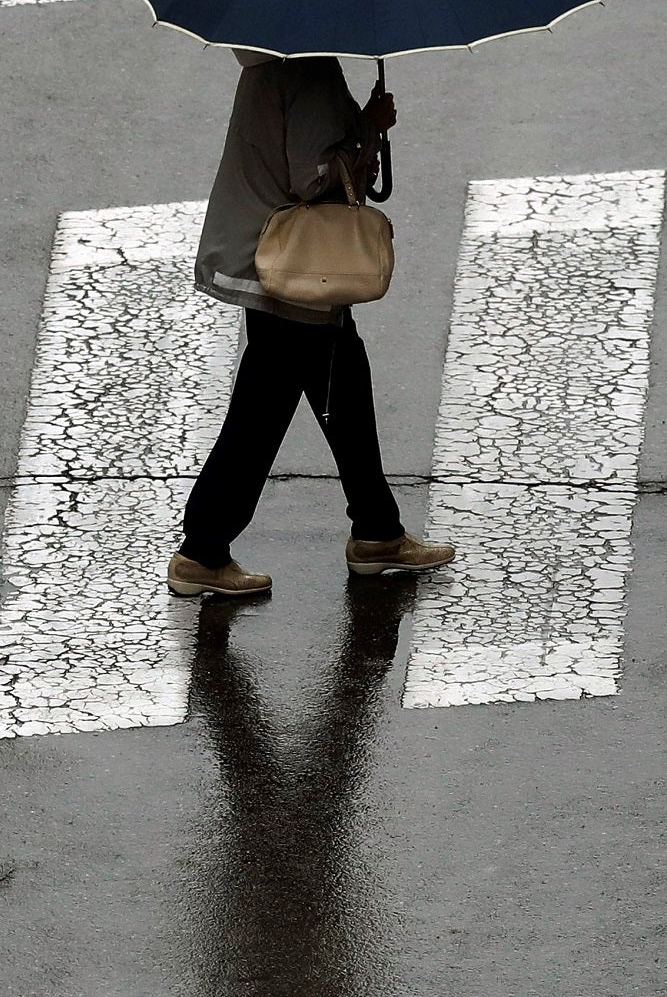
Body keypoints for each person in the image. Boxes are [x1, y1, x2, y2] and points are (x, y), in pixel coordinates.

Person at [168, 48, 457, 598]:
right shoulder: (308, 69)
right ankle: (202, 552)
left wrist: (361, 130)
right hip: (289, 271)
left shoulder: (271, 63)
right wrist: (368, 129)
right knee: (262, 415)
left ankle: (377, 530)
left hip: (271, 259)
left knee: (343, 389)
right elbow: (314, 175)